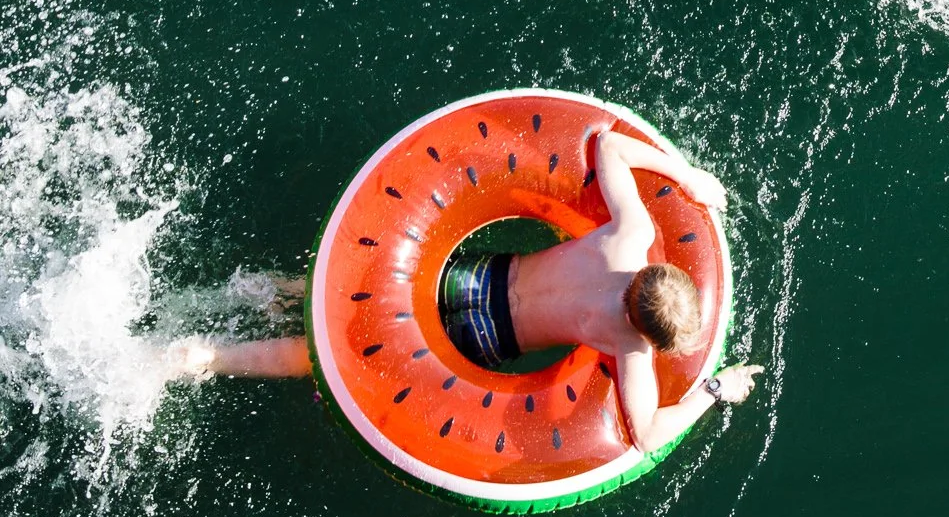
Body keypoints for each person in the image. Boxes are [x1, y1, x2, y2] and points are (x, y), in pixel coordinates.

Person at [166, 128, 761, 453]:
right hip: (482, 336)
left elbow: (608, 144)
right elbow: (646, 436)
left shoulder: (632, 236)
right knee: (320, 358)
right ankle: (210, 358)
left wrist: (687, 176)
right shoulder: (629, 349)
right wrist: (715, 389)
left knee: (350, 296)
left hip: (476, 275)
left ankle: (262, 291)